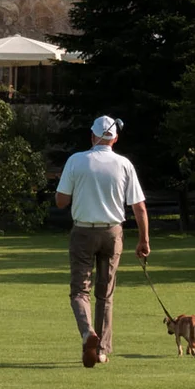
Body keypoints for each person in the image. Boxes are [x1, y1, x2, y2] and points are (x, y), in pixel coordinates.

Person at [54, 115, 150, 368]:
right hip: (112, 233)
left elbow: (61, 201)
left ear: (92, 136)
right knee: (105, 294)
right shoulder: (124, 164)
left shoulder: (76, 160)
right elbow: (138, 206)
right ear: (115, 138)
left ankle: (88, 334)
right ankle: (103, 351)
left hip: (83, 231)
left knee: (79, 291)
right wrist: (144, 240)